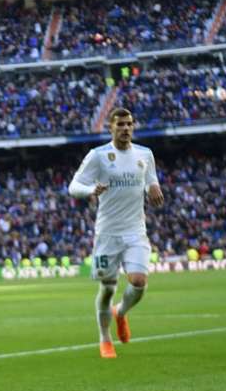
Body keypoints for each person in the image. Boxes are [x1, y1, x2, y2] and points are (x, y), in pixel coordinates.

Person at [68, 108, 164, 359]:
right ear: (110, 127)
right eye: (120, 124)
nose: (126, 128)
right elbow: (73, 186)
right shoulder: (98, 156)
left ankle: (120, 312)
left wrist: (154, 187)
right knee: (108, 288)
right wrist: (90, 189)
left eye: (130, 124)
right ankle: (105, 338)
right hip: (108, 234)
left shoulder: (145, 154)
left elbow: (151, 179)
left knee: (139, 282)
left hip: (135, 230)